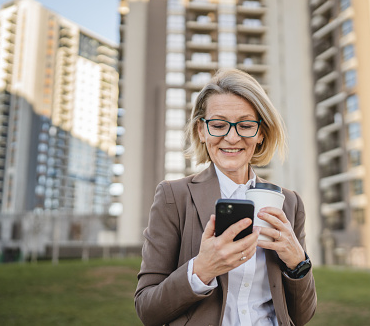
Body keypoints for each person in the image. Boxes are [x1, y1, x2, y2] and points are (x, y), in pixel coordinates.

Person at [134, 68, 317, 326]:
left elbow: (302, 316)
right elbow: (147, 309)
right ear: (201, 130)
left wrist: (298, 263)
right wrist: (201, 270)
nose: (232, 137)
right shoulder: (173, 197)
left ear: (261, 132)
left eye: (245, 125)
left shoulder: (290, 202)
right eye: (218, 125)